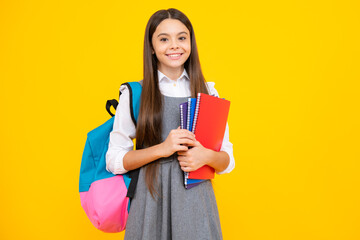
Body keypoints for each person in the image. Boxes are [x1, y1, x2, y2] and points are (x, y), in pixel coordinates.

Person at [106, 8, 235, 240]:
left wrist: (205, 156)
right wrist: (162, 149)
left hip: (197, 204)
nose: (174, 45)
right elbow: (115, 160)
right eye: (164, 39)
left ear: (191, 43)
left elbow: (227, 160)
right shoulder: (135, 93)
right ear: (152, 47)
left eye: (182, 37)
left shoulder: (208, 92)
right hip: (150, 202)